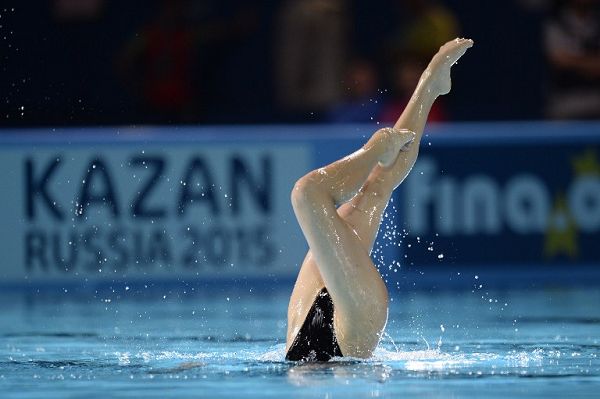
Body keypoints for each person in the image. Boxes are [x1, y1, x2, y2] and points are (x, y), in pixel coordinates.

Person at [285, 38, 473, 361]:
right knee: (309, 193)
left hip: (325, 318)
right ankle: (378, 147)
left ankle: (430, 85)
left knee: (375, 186)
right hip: (351, 325)